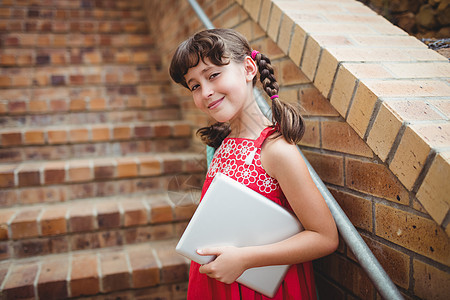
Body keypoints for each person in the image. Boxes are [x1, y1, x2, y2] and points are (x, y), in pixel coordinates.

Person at [169, 28, 338, 300]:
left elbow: (325, 237)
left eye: (213, 75)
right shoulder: (221, 144)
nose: (206, 92)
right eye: (195, 86)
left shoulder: (277, 150)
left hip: (258, 285)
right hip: (218, 280)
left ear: (248, 68)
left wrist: (244, 259)